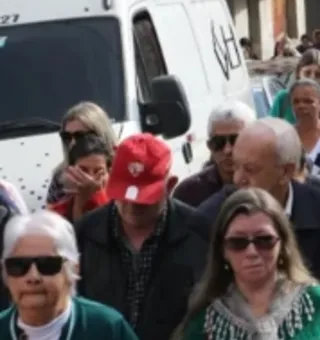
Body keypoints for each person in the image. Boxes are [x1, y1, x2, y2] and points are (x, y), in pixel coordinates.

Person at [197, 118, 320, 317]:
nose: (238, 178)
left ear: (286, 171)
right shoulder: (210, 218)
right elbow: (204, 303)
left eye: (250, 169)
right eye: (236, 166)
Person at [176, 188, 320, 339]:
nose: (252, 252)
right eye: (238, 242)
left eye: (264, 240)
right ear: (222, 250)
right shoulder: (204, 323)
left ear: (282, 244)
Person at [75, 134, 210, 340]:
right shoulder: (84, 234)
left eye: (144, 197)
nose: (132, 205)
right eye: (125, 194)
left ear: (170, 185)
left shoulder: (200, 234)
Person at [0, 211, 138, 339]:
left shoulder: (107, 328)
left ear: (73, 269)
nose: (33, 277)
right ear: (4, 271)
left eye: (47, 265)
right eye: (18, 265)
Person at [174, 101, 258, 208]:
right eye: (218, 142)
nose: (227, 150)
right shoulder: (189, 192)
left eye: (236, 140)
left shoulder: (270, 181)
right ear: (209, 146)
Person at [46, 102, 119, 208]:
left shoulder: (125, 170)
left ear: (100, 134)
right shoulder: (60, 178)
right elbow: (53, 221)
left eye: (80, 136)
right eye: (67, 136)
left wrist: (98, 193)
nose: (73, 143)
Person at [269, 49, 320, 129]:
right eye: (307, 73)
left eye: (318, 75)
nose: (312, 78)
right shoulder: (283, 99)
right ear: (298, 73)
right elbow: (271, 134)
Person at [48, 133, 112, 221]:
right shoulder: (56, 216)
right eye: (83, 170)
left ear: (109, 172)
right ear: (69, 171)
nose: (90, 178)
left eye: (98, 172)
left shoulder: (123, 208)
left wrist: (98, 195)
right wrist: (80, 203)